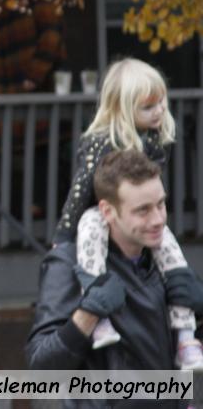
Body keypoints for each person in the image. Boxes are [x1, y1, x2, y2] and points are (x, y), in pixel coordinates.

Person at [53, 58, 203, 368]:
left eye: (161, 103)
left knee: (171, 249)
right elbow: (80, 191)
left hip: (133, 220)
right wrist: (63, 238)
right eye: (149, 107)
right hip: (101, 211)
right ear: (122, 109)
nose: (160, 112)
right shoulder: (99, 143)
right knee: (90, 226)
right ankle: (98, 313)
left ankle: (186, 333)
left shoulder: (153, 141)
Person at [27, 149, 203, 407]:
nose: (158, 220)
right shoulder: (68, 262)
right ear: (108, 211)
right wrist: (88, 313)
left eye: (161, 204)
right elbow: (41, 368)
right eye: (142, 210)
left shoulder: (167, 261)